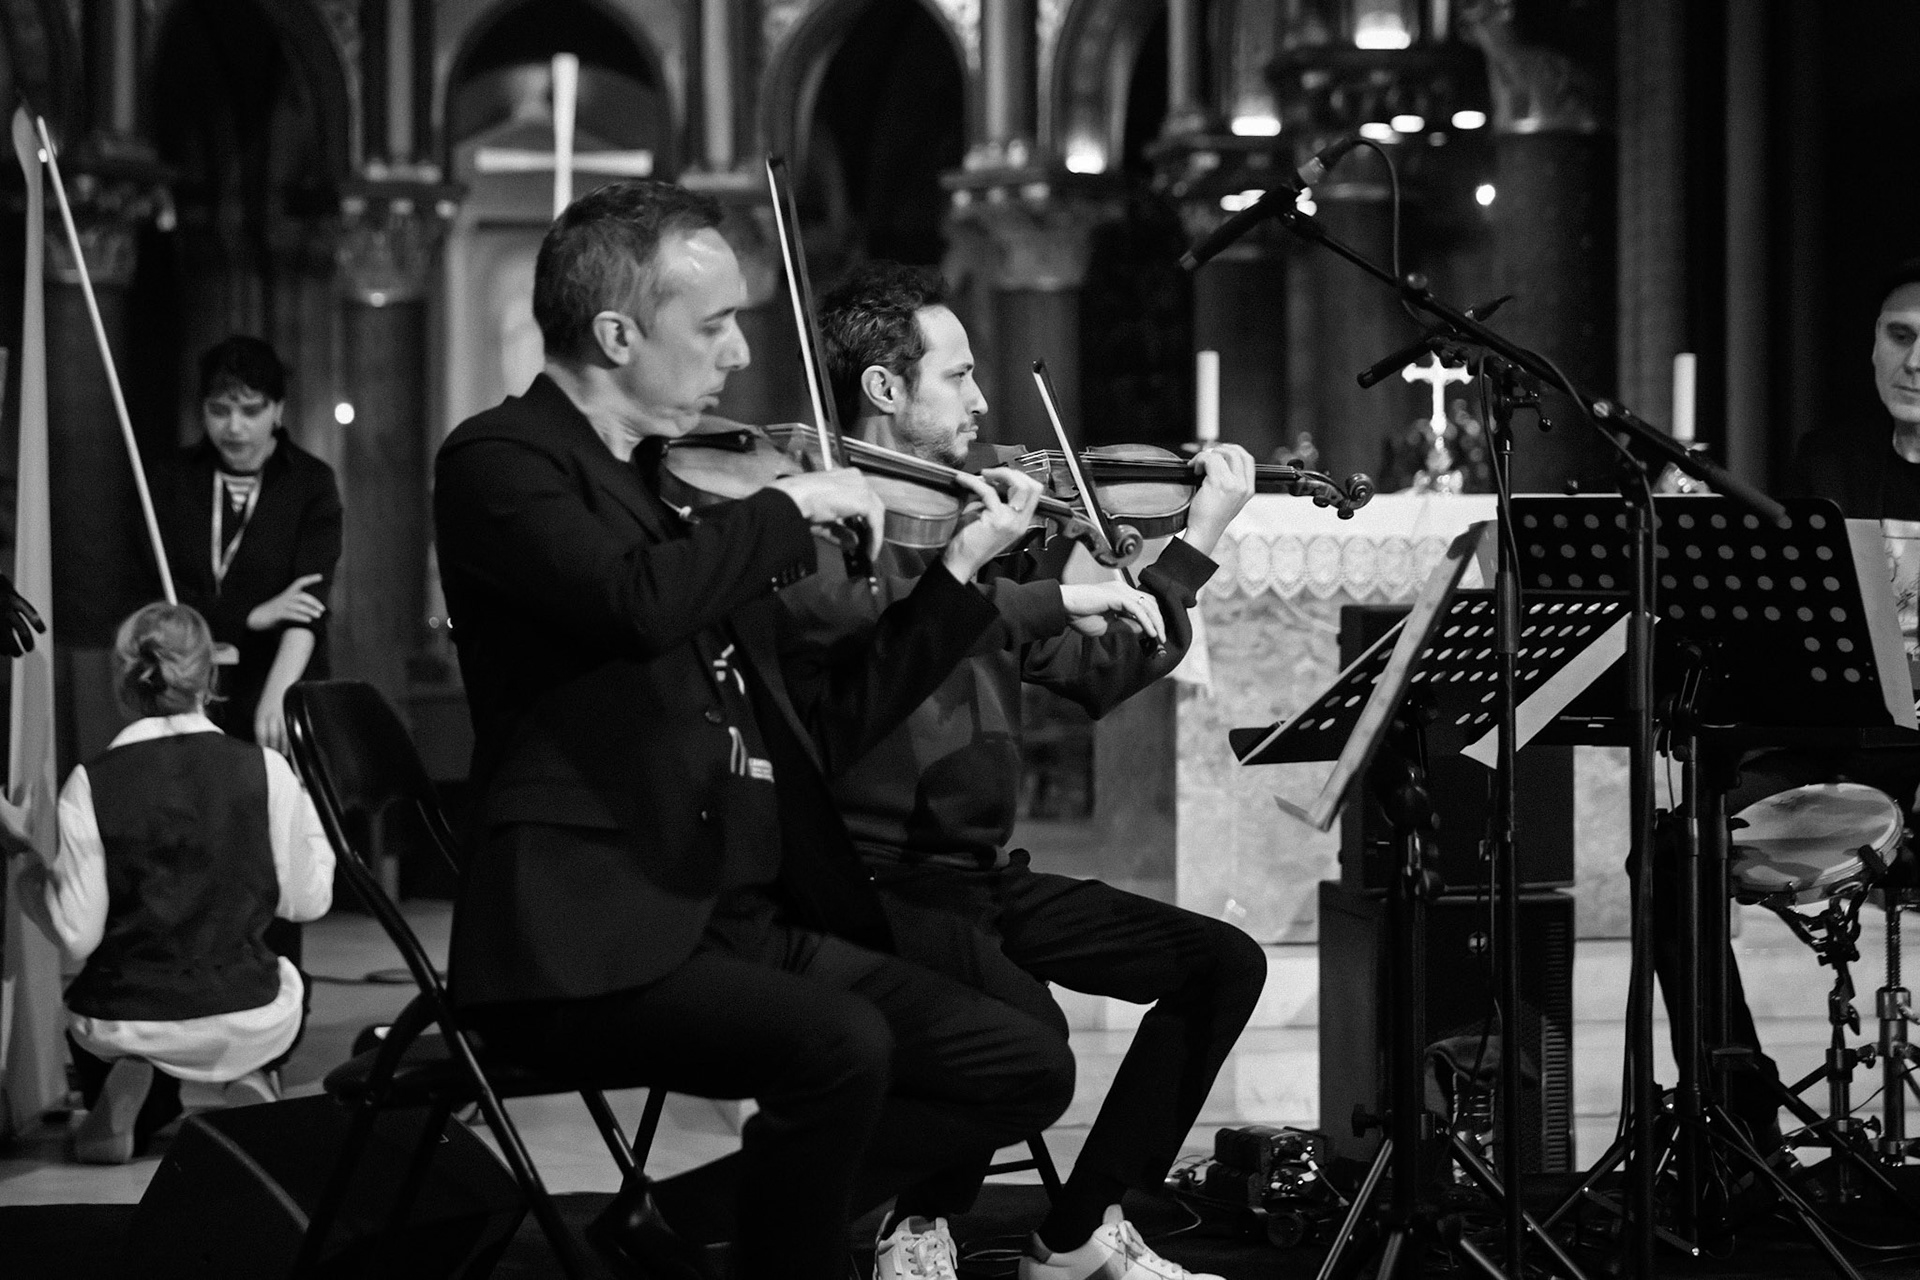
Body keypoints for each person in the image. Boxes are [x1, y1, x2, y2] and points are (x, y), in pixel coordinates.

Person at [432, 179, 1077, 1280]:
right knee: (841, 1047)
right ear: (618, 331)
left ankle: (677, 1228)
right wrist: (785, 511)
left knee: (1023, 1058)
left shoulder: (677, 487)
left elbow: (825, 719)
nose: (738, 354)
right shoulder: (503, 460)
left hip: (732, 898)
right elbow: (630, 600)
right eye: (715, 323)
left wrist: (956, 580)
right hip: (593, 927)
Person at [781, 261, 1267, 1280]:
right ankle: (912, 1220)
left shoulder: (979, 526)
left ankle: (1078, 1227)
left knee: (1222, 961)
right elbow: (888, 631)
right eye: (957, 377)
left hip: (981, 872)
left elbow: (1094, 674)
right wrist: (1028, 584)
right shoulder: (823, 531)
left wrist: (1199, 540)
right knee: (1026, 1038)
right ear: (883, 388)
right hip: (871, 874)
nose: (982, 401)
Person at [8, 602, 332, 1163]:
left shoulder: (92, 781)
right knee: (286, 985)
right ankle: (245, 1075)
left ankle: (131, 1094)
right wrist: (306, 814)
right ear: (211, 676)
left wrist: (23, 858)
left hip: (131, 1017)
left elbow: (77, 936)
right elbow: (308, 902)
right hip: (245, 1007)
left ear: (124, 681)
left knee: (109, 1022)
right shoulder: (266, 769)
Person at [157, 336, 342, 758]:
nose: (234, 427)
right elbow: (161, 593)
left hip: (276, 679)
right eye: (218, 410)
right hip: (187, 688)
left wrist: (280, 695)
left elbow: (307, 605)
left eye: (251, 410)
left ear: (278, 409)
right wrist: (252, 615)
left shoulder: (310, 482)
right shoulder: (172, 480)